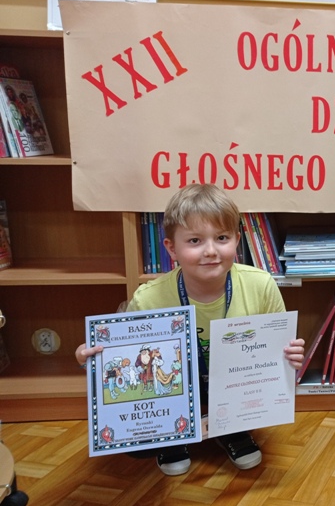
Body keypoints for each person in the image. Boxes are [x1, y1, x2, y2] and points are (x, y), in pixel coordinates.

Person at [76, 184, 305, 476]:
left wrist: (289, 356)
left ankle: (233, 431)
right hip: (177, 383)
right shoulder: (149, 299)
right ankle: (172, 436)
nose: (210, 251)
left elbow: (275, 351)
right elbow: (126, 360)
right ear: (171, 248)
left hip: (234, 383)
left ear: (236, 240)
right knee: (137, 445)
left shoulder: (260, 285)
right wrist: (88, 358)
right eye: (195, 240)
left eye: (222, 238)